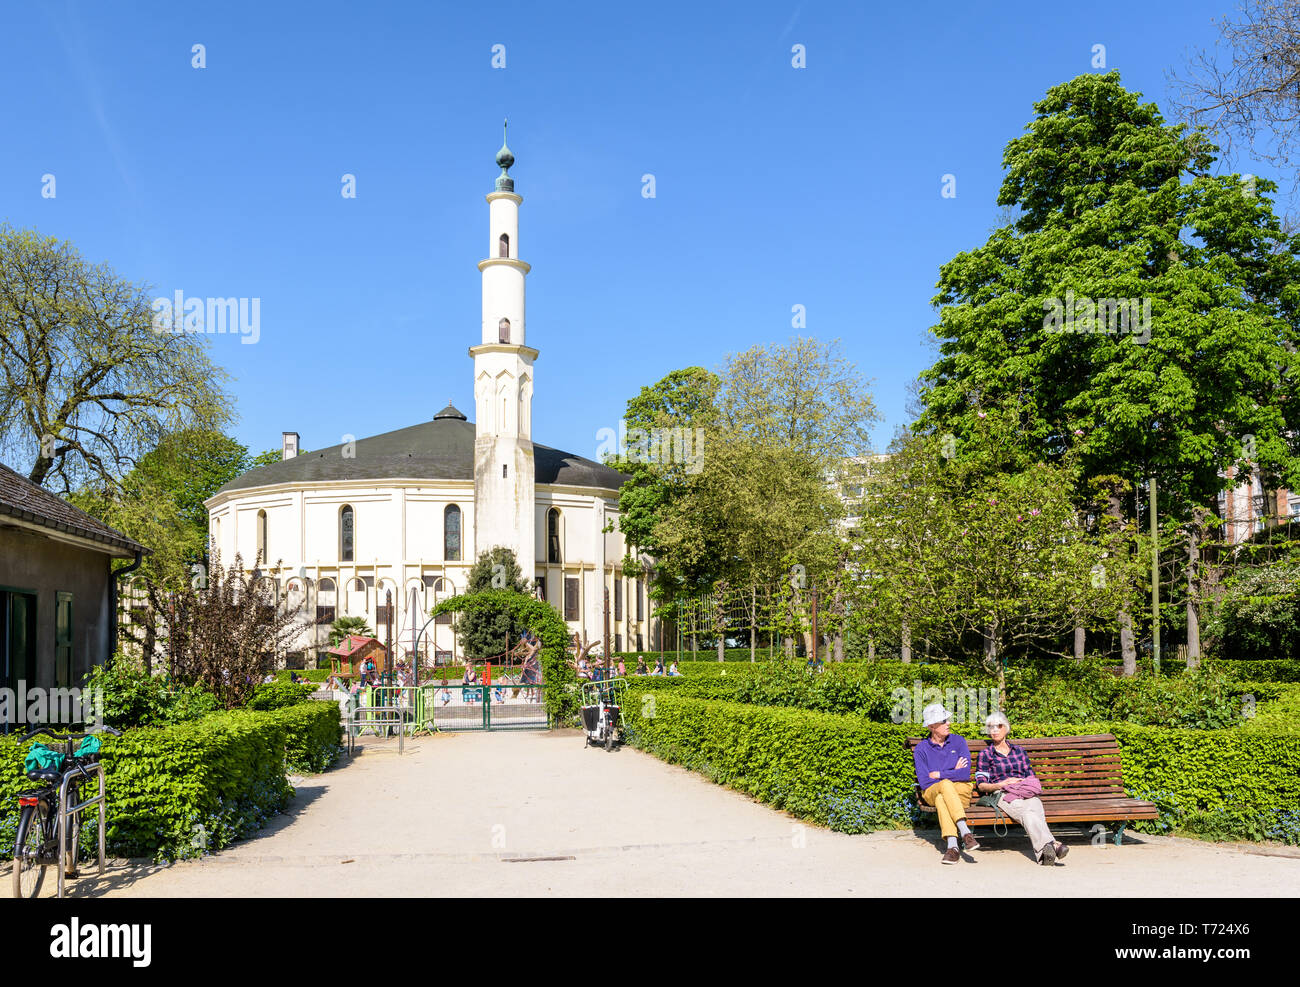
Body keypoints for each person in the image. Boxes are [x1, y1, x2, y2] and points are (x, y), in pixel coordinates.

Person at [975, 713, 1067, 866]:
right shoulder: (986, 754)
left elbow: (1030, 775)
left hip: (1024, 790)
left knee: (1034, 806)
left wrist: (1022, 783)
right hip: (1003, 793)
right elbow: (981, 785)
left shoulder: (1019, 751)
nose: (995, 730)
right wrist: (1002, 784)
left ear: (1006, 728)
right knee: (1026, 812)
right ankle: (1053, 845)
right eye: (991, 727)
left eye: (999, 726)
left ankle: (1046, 853)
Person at [913, 703, 979, 864]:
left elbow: (964, 773)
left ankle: (952, 847)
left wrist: (940, 774)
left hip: (960, 791)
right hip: (931, 790)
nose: (948, 723)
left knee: (942, 797)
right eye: (943, 721)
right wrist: (952, 771)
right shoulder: (921, 749)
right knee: (945, 786)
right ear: (931, 726)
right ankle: (964, 831)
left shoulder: (958, 741)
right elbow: (924, 781)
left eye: (947, 720)